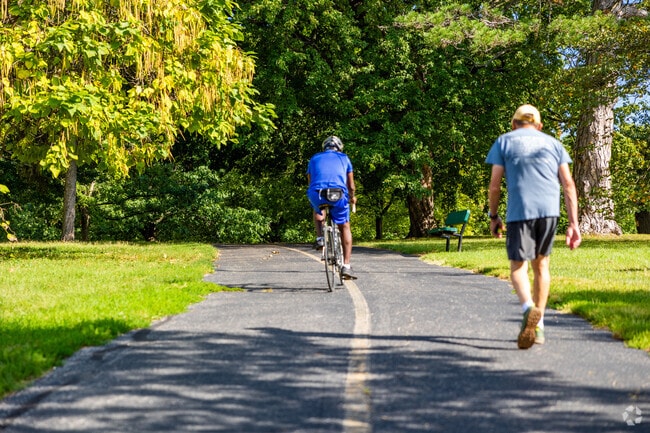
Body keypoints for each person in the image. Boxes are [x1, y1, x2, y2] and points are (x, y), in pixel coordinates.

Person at [486, 104, 582, 349]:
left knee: (518, 267)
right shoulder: (553, 144)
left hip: (520, 212)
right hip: (549, 212)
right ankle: (538, 328)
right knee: (542, 265)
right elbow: (568, 184)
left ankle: (529, 308)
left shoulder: (504, 142)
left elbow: (495, 185)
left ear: (514, 124)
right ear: (539, 125)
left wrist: (493, 215)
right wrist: (573, 224)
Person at [307, 135, 358, 279]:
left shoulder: (314, 158)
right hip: (338, 194)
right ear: (339, 147)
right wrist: (352, 197)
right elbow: (351, 185)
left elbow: (310, 181)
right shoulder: (344, 158)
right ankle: (346, 266)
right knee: (344, 226)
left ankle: (319, 238)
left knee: (318, 208)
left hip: (317, 193)